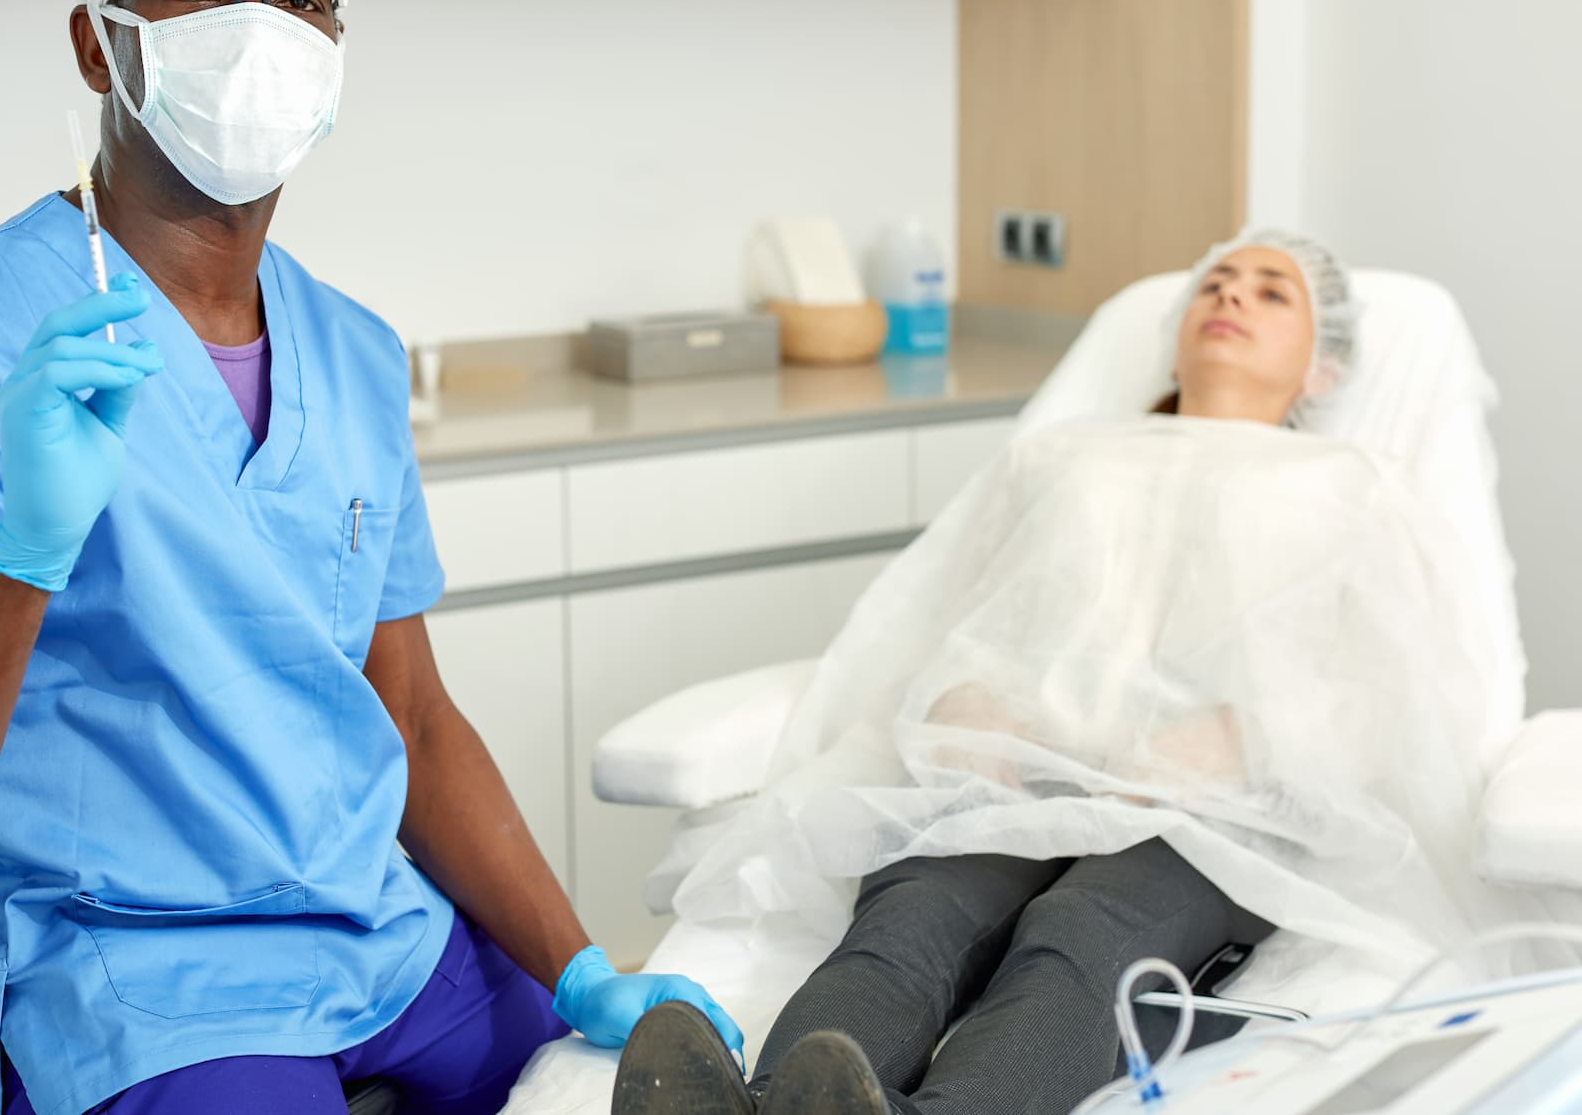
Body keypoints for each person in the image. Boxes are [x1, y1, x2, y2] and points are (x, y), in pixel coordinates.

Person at [0, 0, 737, 1115]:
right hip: (127, 990)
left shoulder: (348, 350)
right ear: (97, 46)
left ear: (335, 54)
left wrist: (576, 966)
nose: (259, 24)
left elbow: (411, 718)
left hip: (375, 940)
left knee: (628, 1089)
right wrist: (25, 554)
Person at [611, 230, 1554, 1112]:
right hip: (1019, 771)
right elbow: (938, 620)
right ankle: (769, 1102)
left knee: (1082, 935)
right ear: (1176, 338)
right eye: (1217, 284)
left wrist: (1245, 739)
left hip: (1214, 813)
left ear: (1325, 363)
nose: (1232, 295)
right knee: (911, 915)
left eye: (1273, 292)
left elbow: (1397, 694)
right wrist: (963, 702)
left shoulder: (1357, 490)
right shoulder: (1062, 457)